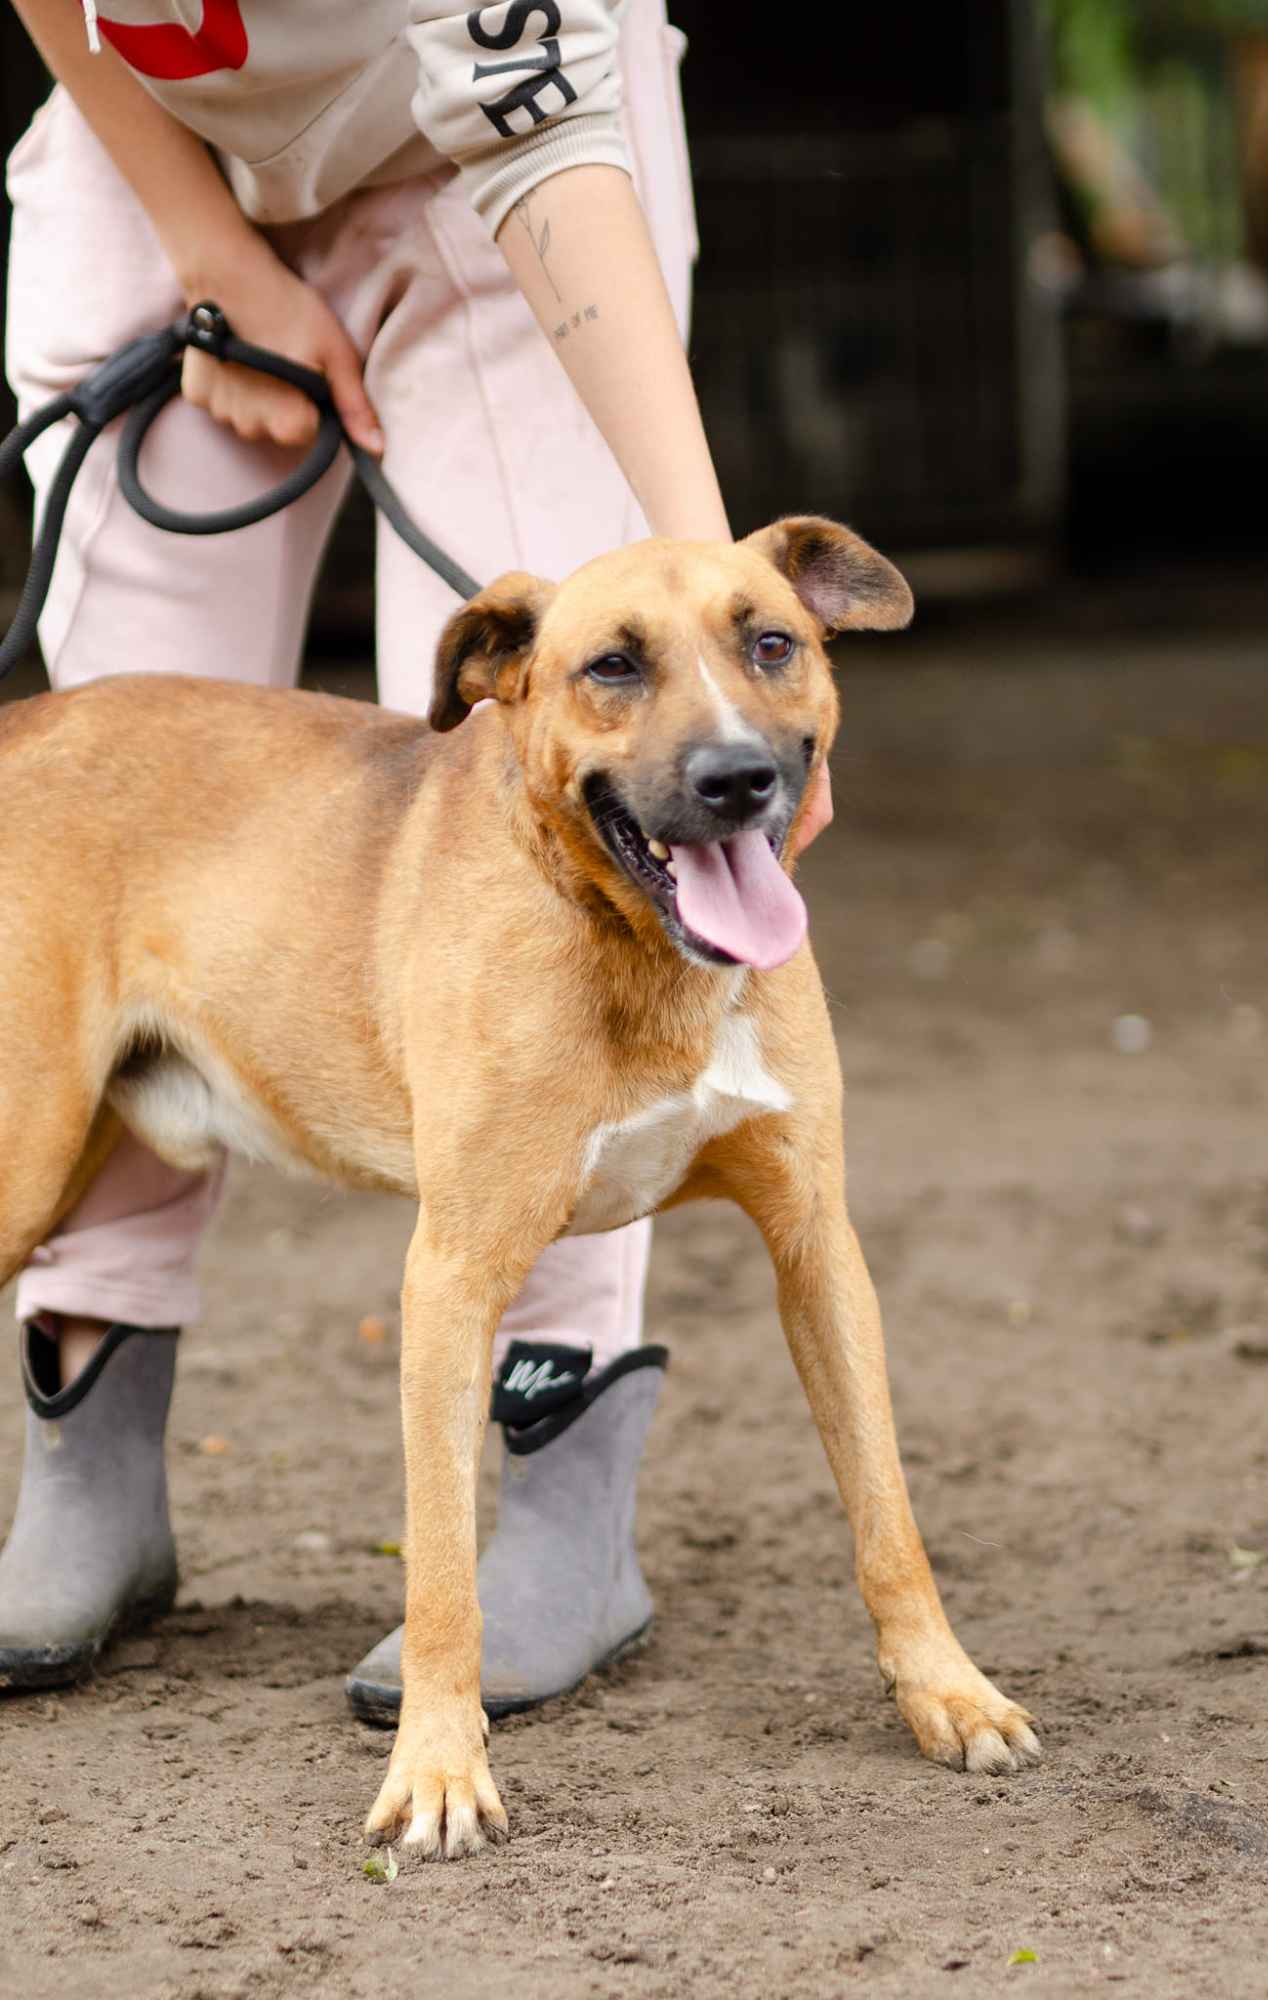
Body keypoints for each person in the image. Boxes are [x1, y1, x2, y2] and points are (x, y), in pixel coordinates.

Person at [0, 0, 831, 1717]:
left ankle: (561, 1462)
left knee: (546, 822)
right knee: (128, 811)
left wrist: (716, 623)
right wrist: (210, 249)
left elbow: (534, 120)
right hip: (159, 135)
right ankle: (89, 1441)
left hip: (512, 163)